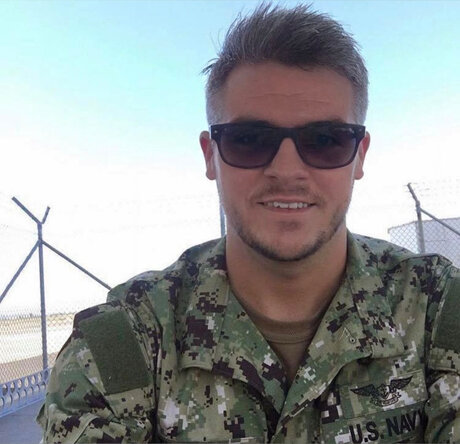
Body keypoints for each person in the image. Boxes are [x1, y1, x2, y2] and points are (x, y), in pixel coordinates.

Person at [38, 4, 460, 443]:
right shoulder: (125, 346)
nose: (287, 170)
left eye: (325, 140)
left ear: (360, 156)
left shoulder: (440, 312)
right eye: (249, 139)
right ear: (210, 156)